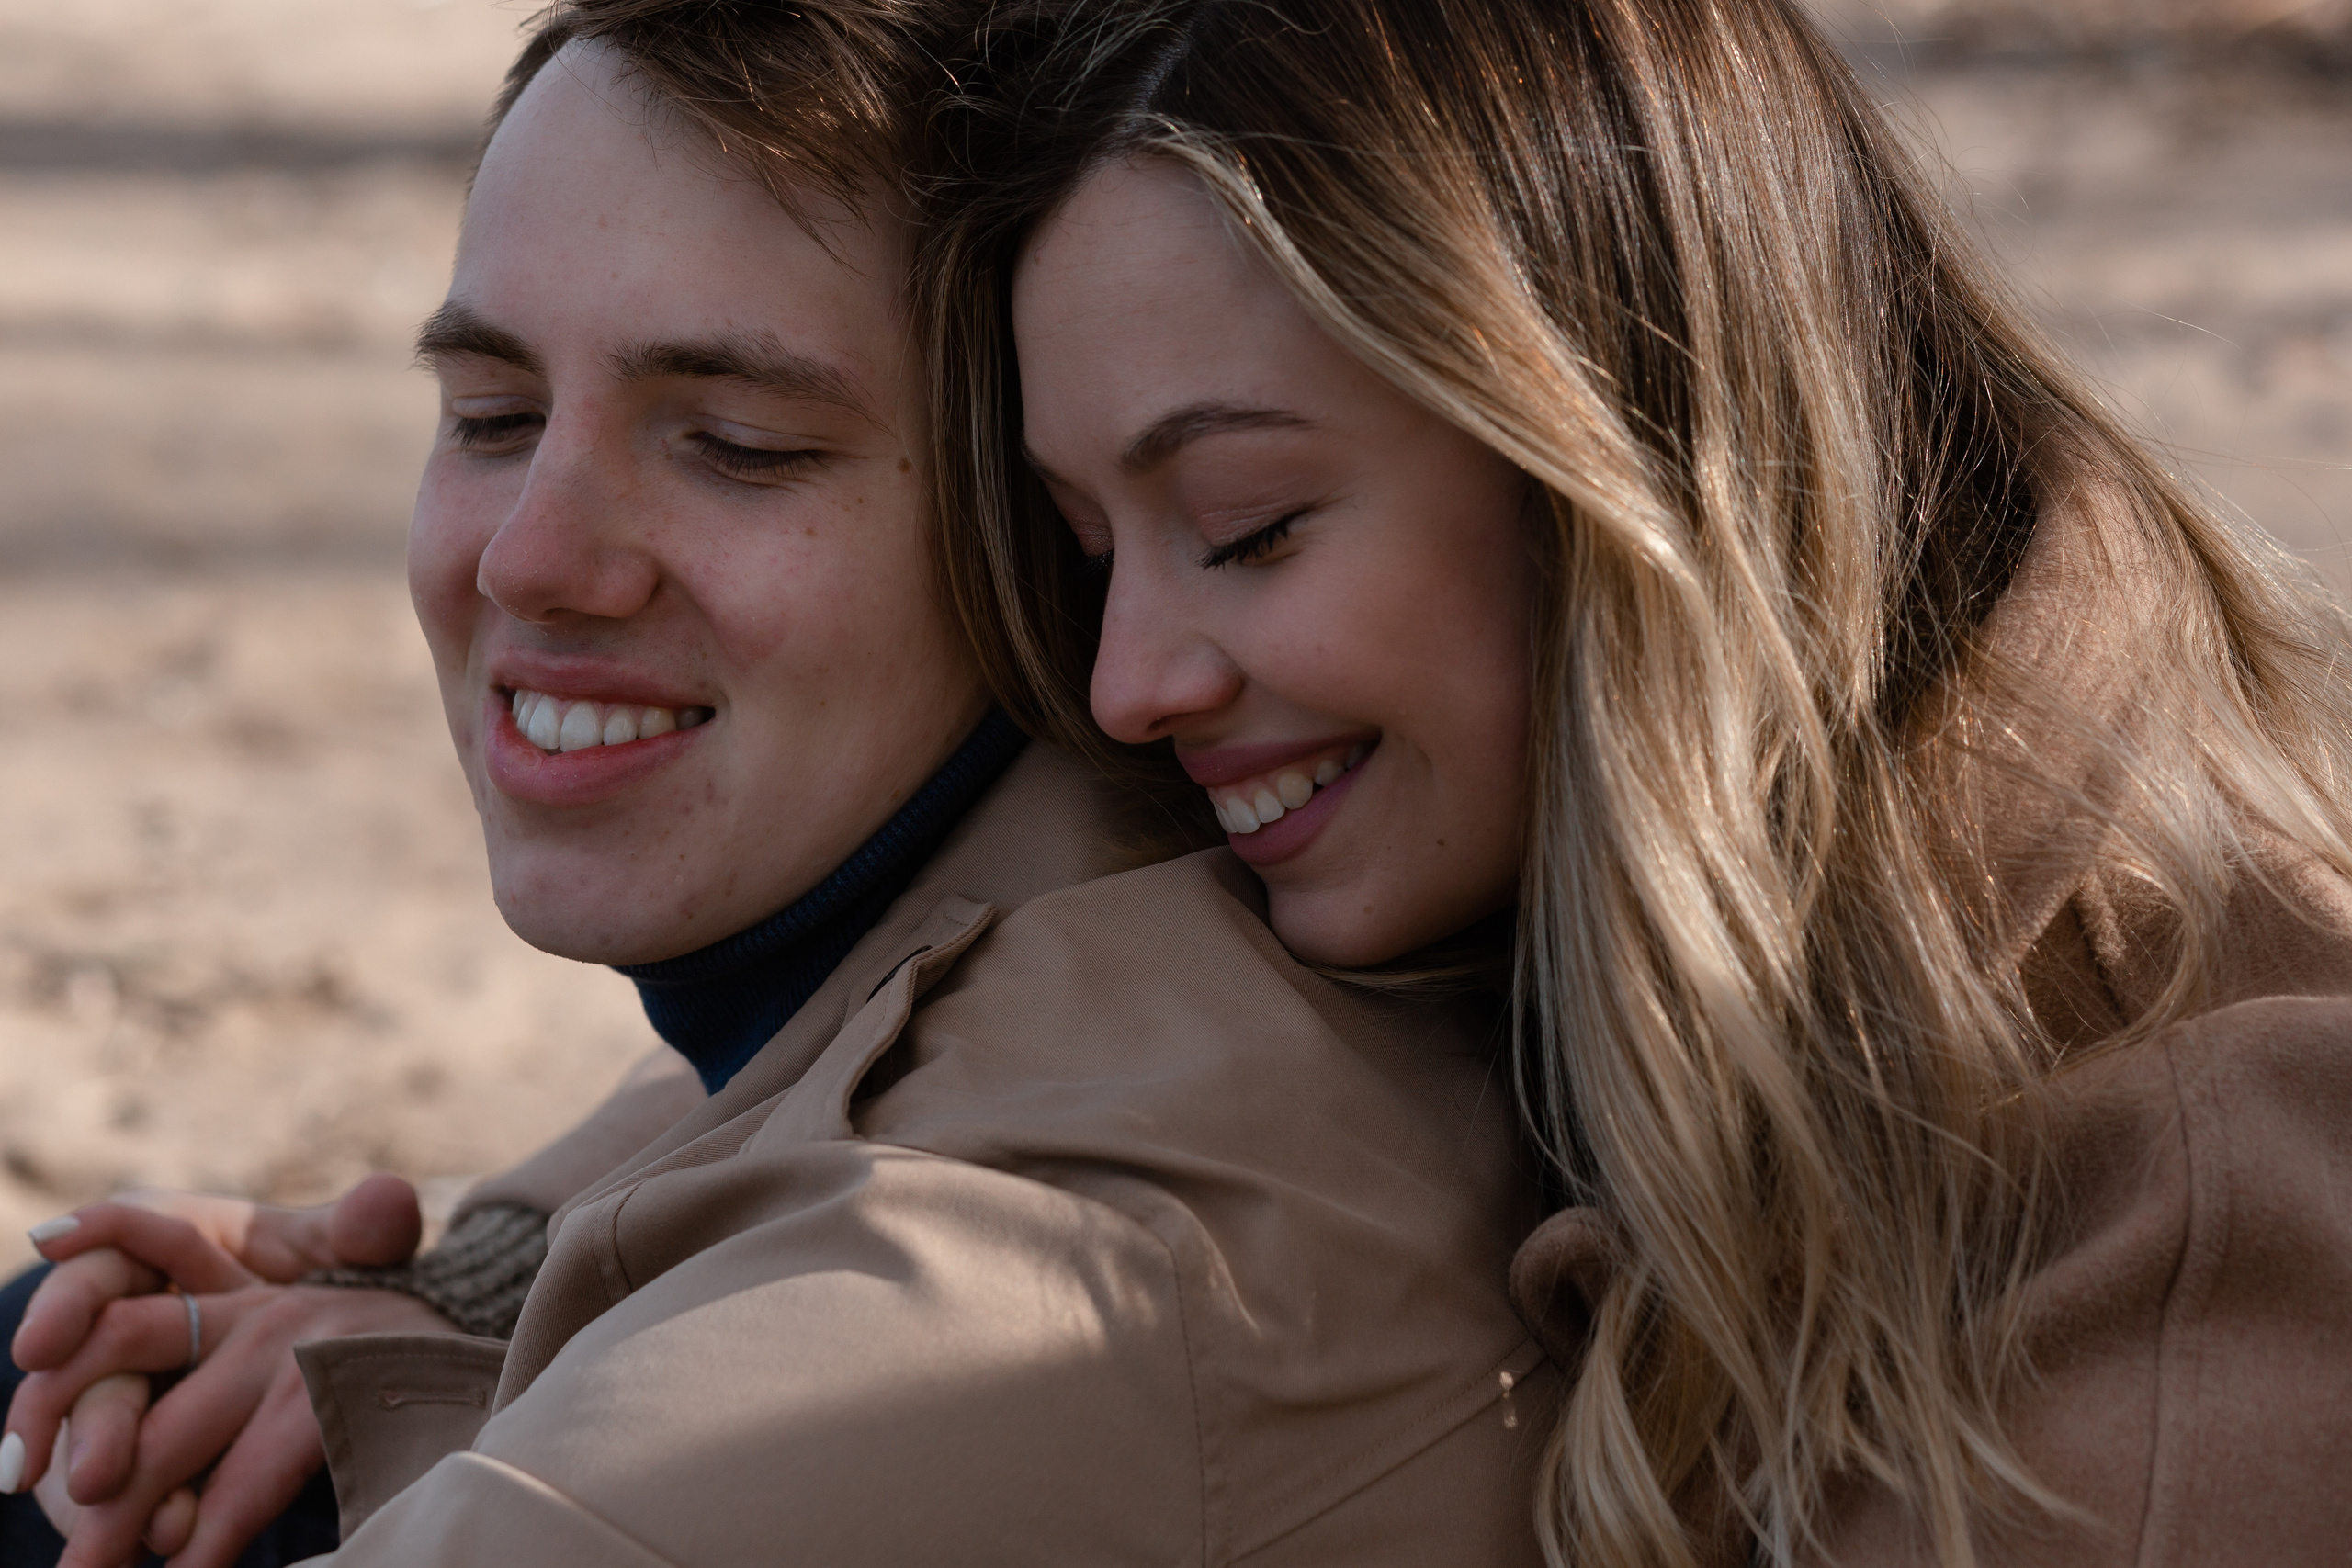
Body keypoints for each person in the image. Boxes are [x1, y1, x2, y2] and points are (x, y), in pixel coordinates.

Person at [6, 3, 1554, 1565]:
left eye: (738, 445)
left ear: (1029, 538)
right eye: (491, 416)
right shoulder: (1100, 938)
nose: (530, 556)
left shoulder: (1010, 1284)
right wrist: (479, 1278)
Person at [920, 1, 2352, 1564]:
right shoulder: (1518, 1006)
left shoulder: (2196, 1274)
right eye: (1089, 554)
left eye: (1250, 523)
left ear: (1630, 455)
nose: (1128, 686)